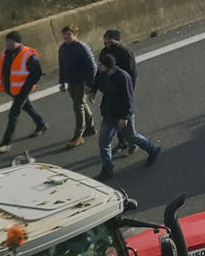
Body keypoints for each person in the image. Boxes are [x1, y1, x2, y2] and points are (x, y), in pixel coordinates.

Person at [93, 52, 159, 180]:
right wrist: (92, 90)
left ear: (108, 66)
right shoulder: (102, 73)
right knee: (104, 142)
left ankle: (153, 149)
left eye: (100, 64)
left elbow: (128, 100)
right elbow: (97, 81)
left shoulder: (123, 77)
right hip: (109, 113)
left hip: (123, 115)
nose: (98, 66)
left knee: (132, 136)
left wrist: (125, 117)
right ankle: (107, 169)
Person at [0, 30, 46, 150]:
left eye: (11, 42)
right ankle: (41, 124)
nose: (8, 45)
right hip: (13, 90)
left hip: (23, 90)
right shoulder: (5, 55)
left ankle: (6, 143)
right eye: (7, 42)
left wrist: (26, 88)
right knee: (27, 107)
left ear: (18, 42)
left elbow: (37, 73)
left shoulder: (28, 55)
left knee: (13, 114)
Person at [99, 29, 139, 157]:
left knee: (126, 118)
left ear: (117, 40)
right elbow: (100, 71)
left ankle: (133, 142)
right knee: (116, 117)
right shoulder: (104, 52)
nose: (107, 41)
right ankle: (122, 142)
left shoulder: (125, 52)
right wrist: (94, 87)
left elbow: (132, 73)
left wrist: (130, 90)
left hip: (124, 88)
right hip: (111, 90)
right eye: (106, 38)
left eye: (110, 38)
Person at [57, 26, 97, 148]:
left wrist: (91, 85)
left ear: (75, 35)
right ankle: (90, 127)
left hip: (82, 82)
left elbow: (92, 67)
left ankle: (78, 135)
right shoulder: (63, 48)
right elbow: (61, 65)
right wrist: (62, 82)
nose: (66, 37)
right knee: (80, 104)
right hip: (71, 82)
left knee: (77, 106)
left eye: (68, 34)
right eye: (64, 34)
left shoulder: (82, 48)